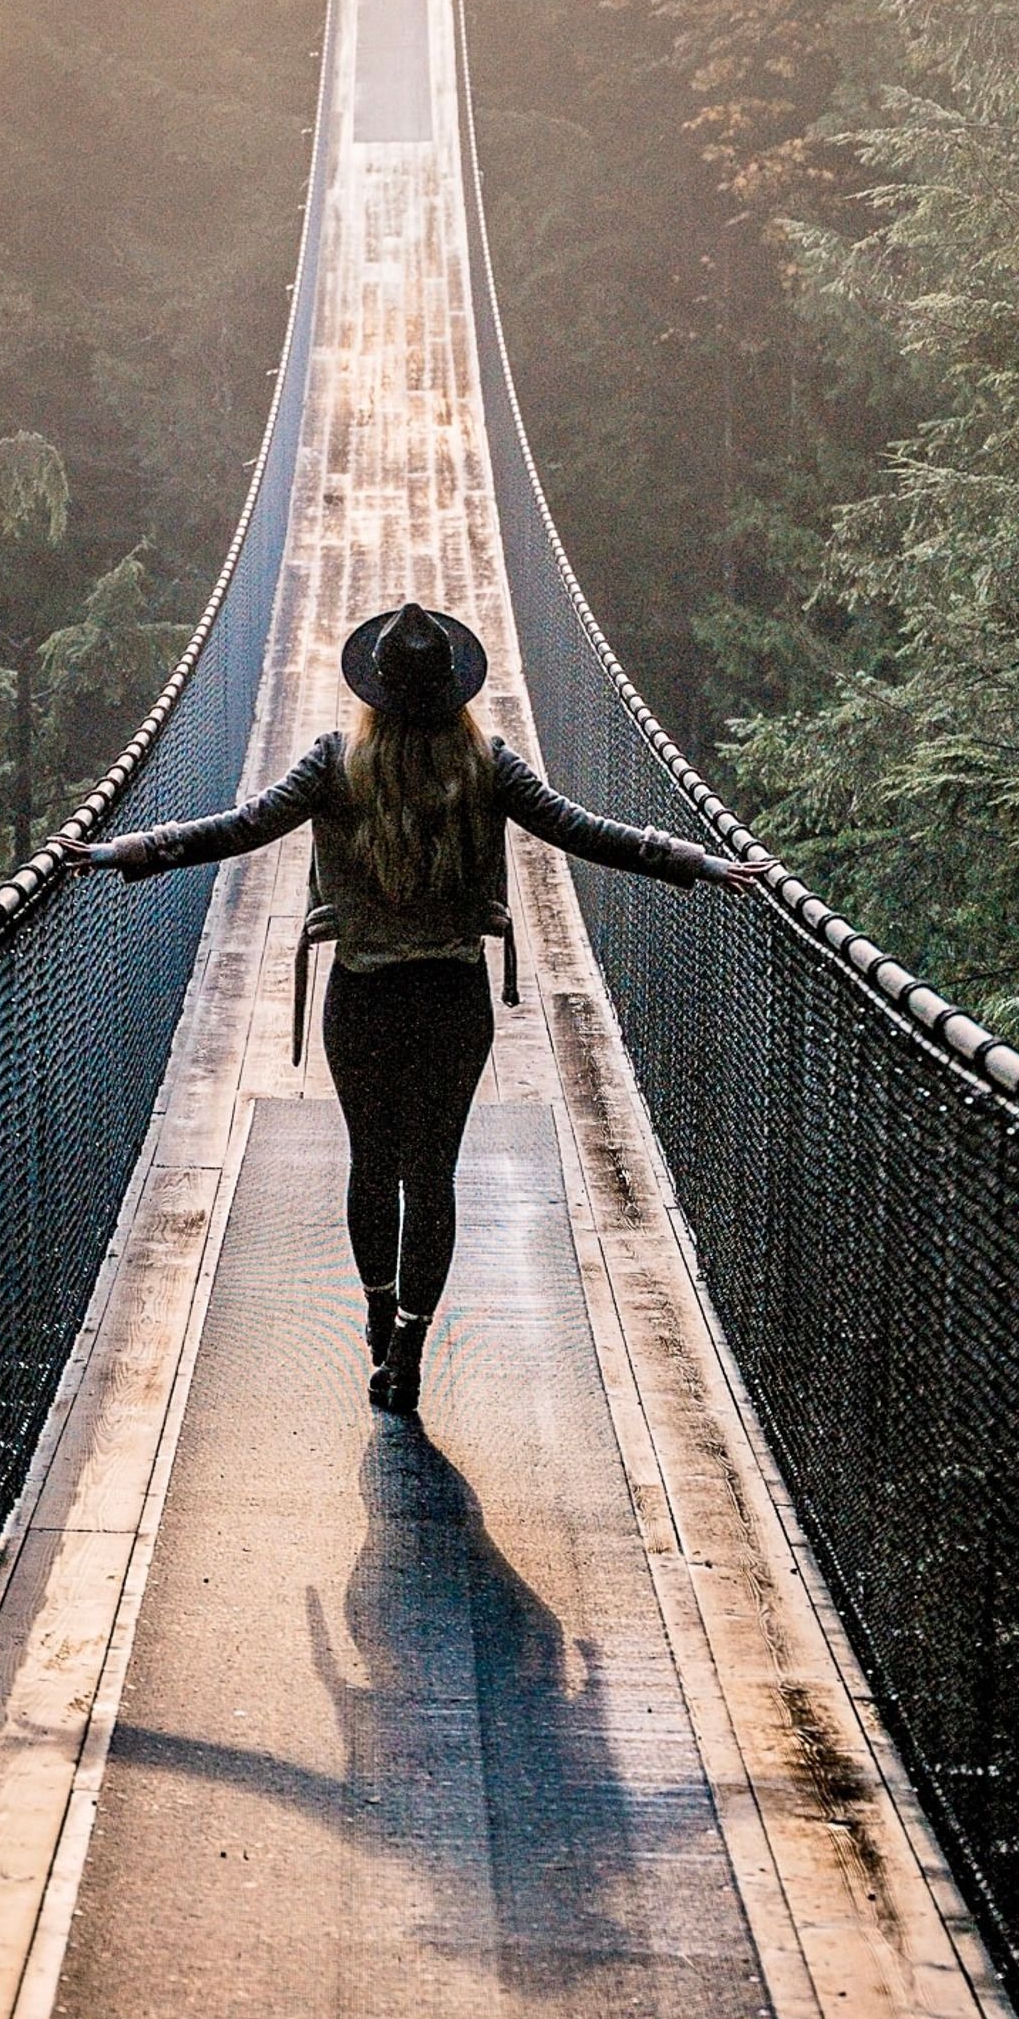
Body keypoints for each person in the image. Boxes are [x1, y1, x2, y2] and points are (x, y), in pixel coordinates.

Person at [64, 601, 755, 1418]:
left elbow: (241, 827)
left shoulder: (333, 762)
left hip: (364, 1000)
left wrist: (124, 850)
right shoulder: (489, 764)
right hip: (455, 1004)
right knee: (432, 1179)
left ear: (376, 691)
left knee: (372, 1165)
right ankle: (410, 1342)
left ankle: (374, 1304)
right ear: (455, 692)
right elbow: (585, 830)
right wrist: (696, 861)